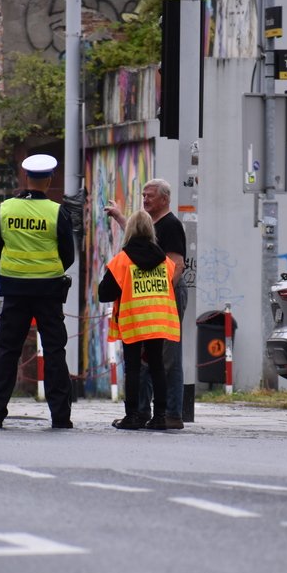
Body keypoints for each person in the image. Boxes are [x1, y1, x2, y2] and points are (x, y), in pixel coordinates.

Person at [0, 153, 76, 429]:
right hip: (48, 290)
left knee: (7, 350)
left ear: (25, 177)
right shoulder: (57, 212)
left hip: (14, 289)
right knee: (54, 351)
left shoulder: (5, 209)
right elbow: (67, 255)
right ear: (50, 179)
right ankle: (60, 416)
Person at [104, 179, 187, 429]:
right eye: (143, 195)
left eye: (150, 196)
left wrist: (160, 294)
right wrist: (120, 216)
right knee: (149, 358)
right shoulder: (152, 225)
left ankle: (172, 413)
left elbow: (177, 265)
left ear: (165, 199)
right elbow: (138, 236)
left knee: (167, 358)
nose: (145, 199)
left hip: (165, 296)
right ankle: (146, 412)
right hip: (154, 297)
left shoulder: (170, 225)